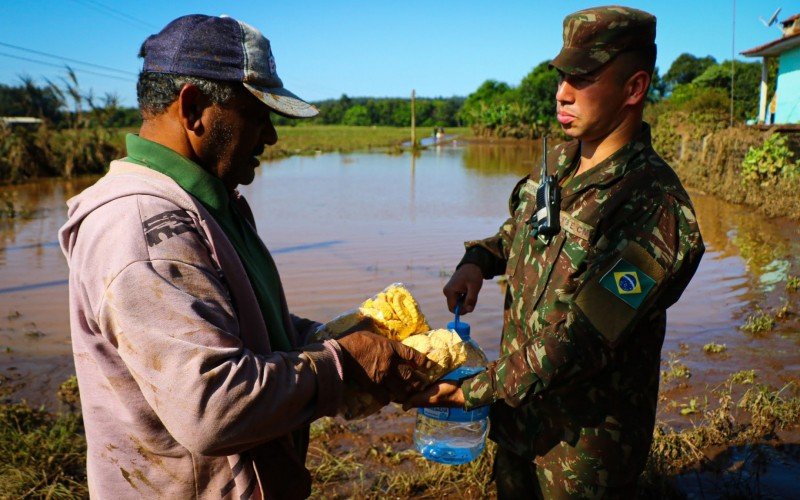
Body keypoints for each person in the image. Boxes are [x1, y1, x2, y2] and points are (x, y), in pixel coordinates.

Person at [59, 14, 430, 499]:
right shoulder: (142, 228)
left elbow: (240, 323)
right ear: (193, 108)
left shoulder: (211, 204)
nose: (271, 136)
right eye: (258, 115)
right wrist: (342, 365)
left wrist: (326, 335)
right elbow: (213, 406)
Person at [407, 6, 705, 498]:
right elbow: (520, 233)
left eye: (583, 77)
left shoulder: (656, 208)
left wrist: (474, 389)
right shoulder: (561, 164)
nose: (562, 92)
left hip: (583, 456)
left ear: (633, 88)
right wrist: (477, 262)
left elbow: (582, 339)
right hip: (517, 426)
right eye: (563, 74)